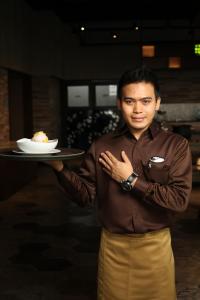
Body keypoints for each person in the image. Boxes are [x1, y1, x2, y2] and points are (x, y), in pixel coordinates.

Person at [48, 66, 192, 300]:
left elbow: (178, 200)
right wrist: (60, 168)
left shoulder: (175, 145)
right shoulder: (101, 146)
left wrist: (130, 179)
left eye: (145, 101)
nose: (137, 110)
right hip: (114, 249)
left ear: (157, 103)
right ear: (118, 103)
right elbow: (85, 196)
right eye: (129, 101)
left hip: (156, 248)